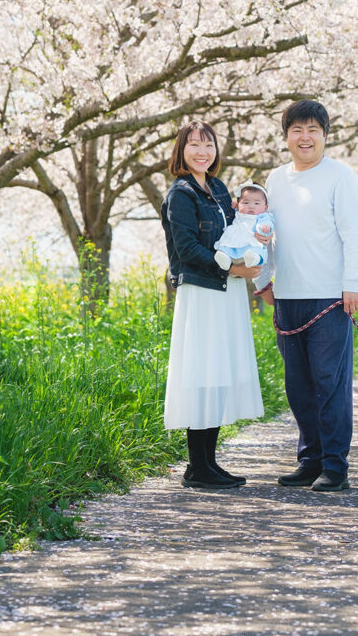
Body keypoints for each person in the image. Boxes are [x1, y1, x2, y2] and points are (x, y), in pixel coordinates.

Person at [255, 99, 358, 492]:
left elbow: (353, 234)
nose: (305, 137)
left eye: (313, 130)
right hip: (287, 295)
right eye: (297, 130)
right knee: (298, 384)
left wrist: (352, 283)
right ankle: (310, 460)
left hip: (331, 297)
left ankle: (335, 466)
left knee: (329, 381)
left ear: (324, 135)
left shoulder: (340, 175)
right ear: (286, 137)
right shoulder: (275, 179)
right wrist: (263, 282)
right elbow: (268, 233)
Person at [161, 121, 264, 489]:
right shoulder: (181, 194)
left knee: (218, 371)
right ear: (181, 151)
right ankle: (196, 465)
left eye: (208, 145)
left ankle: (209, 462)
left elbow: (236, 232)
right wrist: (232, 266)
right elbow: (187, 248)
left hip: (228, 289)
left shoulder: (219, 188)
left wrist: (259, 237)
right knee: (202, 372)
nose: (202, 152)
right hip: (202, 290)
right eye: (193, 145)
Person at [213, 179, 275, 270]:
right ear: (238, 205)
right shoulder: (237, 213)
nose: (251, 206)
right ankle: (225, 259)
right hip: (235, 238)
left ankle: (253, 259)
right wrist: (232, 208)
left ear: (265, 207)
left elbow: (267, 222)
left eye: (257, 203)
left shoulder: (263, 216)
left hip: (252, 240)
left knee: (258, 251)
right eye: (246, 202)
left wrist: (265, 228)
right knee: (227, 246)